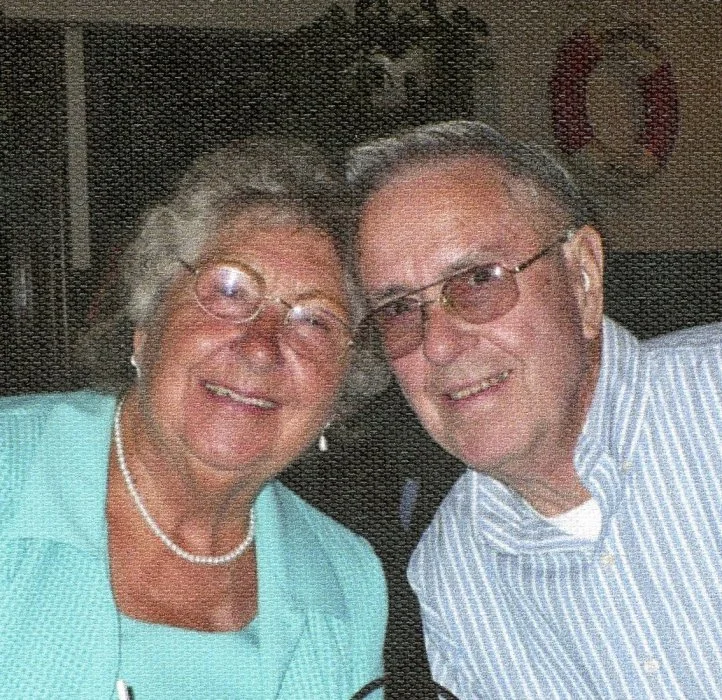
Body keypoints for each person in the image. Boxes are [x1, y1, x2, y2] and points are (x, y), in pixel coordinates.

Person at [347, 120, 722, 698]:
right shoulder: (450, 576)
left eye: (478, 280)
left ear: (583, 276)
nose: (438, 344)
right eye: (398, 309)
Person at [0, 138, 386, 699]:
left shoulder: (349, 579)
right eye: (229, 291)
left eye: (315, 321)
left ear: (342, 389)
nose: (262, 345)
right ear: (146, 324)